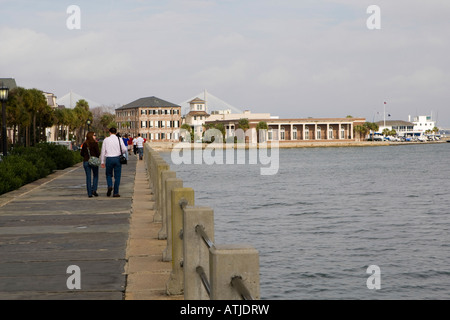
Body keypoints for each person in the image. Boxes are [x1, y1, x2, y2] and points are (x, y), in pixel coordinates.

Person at [100, 127, 128, 198]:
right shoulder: (119, 139)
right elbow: (124, 149)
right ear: (115, 132)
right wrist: (120, 152)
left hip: (109, 158)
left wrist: (102, 161)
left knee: (108, 175)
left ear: (109, 132)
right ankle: (116, 192)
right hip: (117, 158)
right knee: (117, 176)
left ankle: (110, 185)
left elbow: (103, 151)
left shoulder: (106, 140)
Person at [80, 132, 100, 198]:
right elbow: (98, 153)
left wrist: (86, 156)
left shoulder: (85, 144)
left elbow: (81, 153)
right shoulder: (95, 143)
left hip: (86, 161)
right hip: (94, 161)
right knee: (95, 175)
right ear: (91, 136)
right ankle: (94, 189)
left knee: (88, 177)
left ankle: (89, 193)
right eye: (94, 135)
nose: (95, 136)